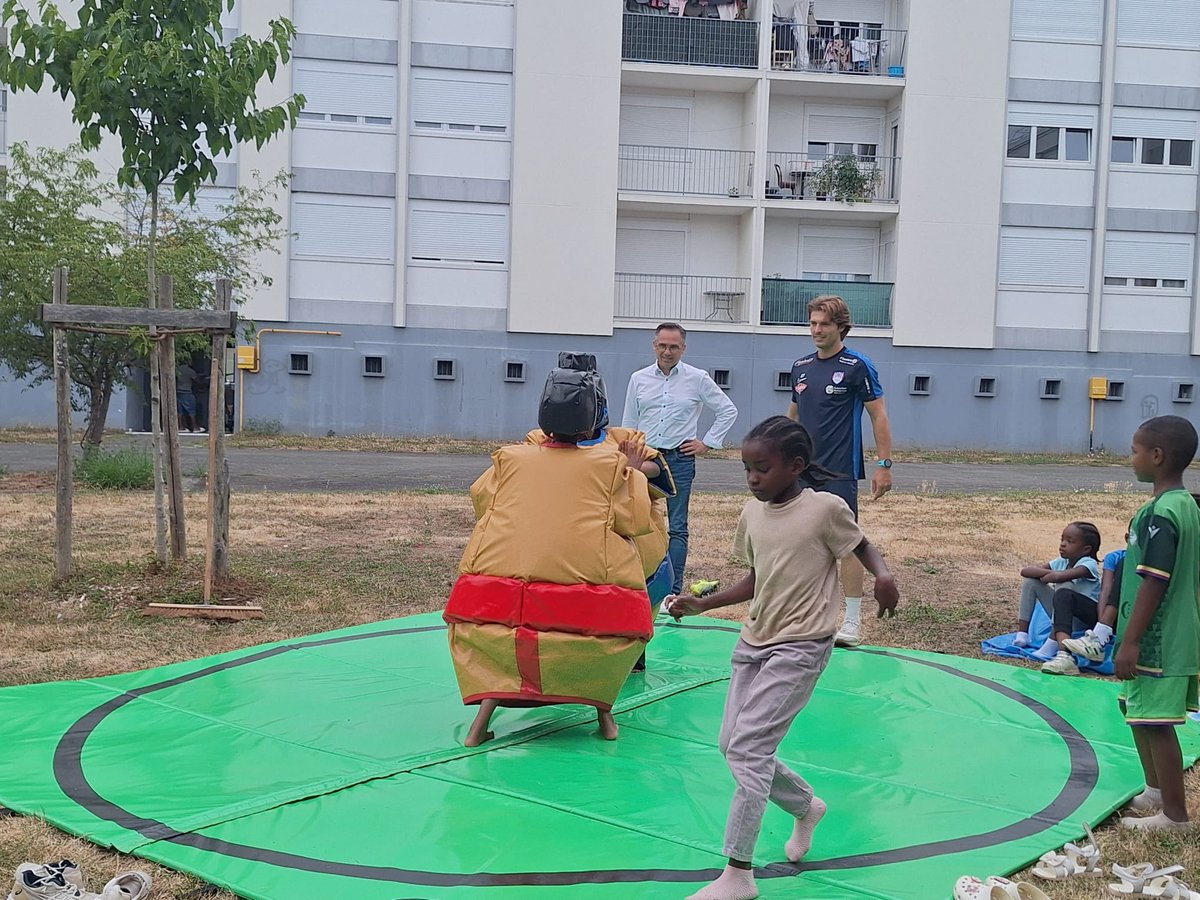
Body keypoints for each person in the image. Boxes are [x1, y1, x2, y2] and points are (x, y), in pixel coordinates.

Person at [662, 416, 899, 900]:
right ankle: (806, 806)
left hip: (802, 645)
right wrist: (703, 603)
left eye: (762, 469)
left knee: (749, 750)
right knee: (732, 743)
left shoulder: (825, 509)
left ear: (796, 466)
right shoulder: (751, 514)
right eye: (747, 469)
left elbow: (860, 546)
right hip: (753, 642)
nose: (752, 478)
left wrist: (884, 576)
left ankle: (738, 874)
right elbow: (756, 578)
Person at [444, 360, 656, 747]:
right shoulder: (610, 465)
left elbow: (482, 501)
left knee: (500, 636)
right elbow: (635, 520)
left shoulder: (510, 458)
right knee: (617, 618)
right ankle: (604, 717)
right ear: (594, 417)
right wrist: (634, 472)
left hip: (498, 594)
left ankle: (480, 724)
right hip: (583, 600)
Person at [526, 352, 676, 670]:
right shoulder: (535, 444)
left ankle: (632, 650)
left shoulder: (619, 441)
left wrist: (630, 467)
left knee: (646, 586)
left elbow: (654, 468)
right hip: (563, 553)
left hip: (625, 554)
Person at [786, 295, 893, 648]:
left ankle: (851, 623)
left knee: (846, 546)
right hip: (801, 471)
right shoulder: (800, 366)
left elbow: (878, 415)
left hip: (839, 471)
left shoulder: (857, 366)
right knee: (800, 544)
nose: (817, 330)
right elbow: (793, 418)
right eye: (813, 324)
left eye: (824, 324)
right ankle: (805, 617)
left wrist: (884, 465)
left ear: (841, 328)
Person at [1112, 416, 1200, 831]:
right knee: (1135, 709)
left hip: (1157, 639)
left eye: (1135, 450)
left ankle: (1175, 816)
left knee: (1157, 721)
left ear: (1157, 456)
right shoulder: (1184, 505)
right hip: (1159, 634)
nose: (1131, 458)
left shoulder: (1162, 513)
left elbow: (1155, 580)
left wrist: (1131, 641)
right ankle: (1154, 790)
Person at [623, 322, 738, 596]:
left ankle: (671, 592)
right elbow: (629, 422)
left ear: (683, 348)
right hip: (645, 459)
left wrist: (707, 443)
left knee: (677, 527)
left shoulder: (697, 378)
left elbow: (727, 410)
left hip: (679, 460)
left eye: (674, 346)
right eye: (662, 345)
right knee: (637, 521)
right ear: (654, 345)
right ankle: (639, 584)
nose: (667, 351)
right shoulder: (638, 379)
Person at [1020, 522, 1103, 675]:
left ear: (1086, 549)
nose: (1063, 544)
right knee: (1031, 582)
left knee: (1065, 586)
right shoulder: (1061, 562)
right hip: (1062, 614)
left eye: (1070, 541)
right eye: (1062, 540)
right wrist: (1044, 575)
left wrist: (1048, 576)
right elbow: (1026, 571)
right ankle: (1022, 634)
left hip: (1082, 618)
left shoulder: (1088, 564)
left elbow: (1058, 576)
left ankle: (1052, 645)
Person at [1061, 532, 1126, 665]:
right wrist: (1101, 624)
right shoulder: (1116, 557)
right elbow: (1105, 591)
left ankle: (1099, 636)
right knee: (1064, 594)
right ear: (1126, 537)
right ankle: (1063, 655)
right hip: (1108, 617)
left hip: (1130, 617)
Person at [175, 360, 199, 432]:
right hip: (187, 392)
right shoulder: (190, 371)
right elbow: (197, 380)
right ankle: (195, 427)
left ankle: (181, 426)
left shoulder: (176, 370)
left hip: (178, 392)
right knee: (192, 409)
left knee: (180, 410)